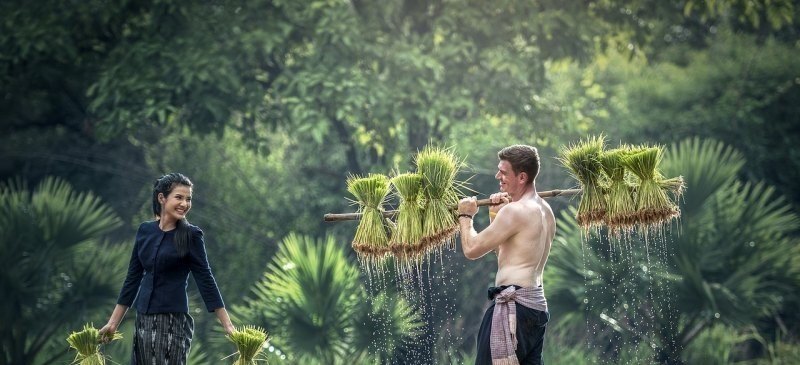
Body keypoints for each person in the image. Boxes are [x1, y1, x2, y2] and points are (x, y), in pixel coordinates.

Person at [99, 173, 235, 364]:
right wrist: (113, 323)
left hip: (173, 323)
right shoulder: (145, 231)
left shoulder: (192, 235)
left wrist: (228, 326)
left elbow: (206, 279)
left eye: (188, 199)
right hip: (143, 320)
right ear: (162, 198)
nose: (185, 204)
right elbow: (132, 279)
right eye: (179, 197)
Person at [457, 145, 555, 365]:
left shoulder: (515, 211)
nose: (497, 176)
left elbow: (472, 249)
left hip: (514, 308)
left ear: (522, 177)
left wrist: (465, 215)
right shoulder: (546, 211)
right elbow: (506, 255)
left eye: (503, 172)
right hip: (535, 308)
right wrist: (495, 215)